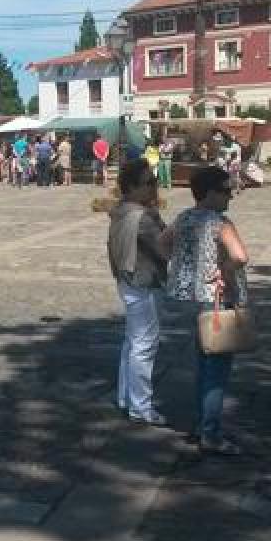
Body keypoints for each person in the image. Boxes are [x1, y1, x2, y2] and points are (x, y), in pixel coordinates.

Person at [164, 166, 249, 455]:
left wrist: (183, 262)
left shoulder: (184, 217)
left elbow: (163, 244)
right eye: (226, 190)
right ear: (211, 193)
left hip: (192, 298)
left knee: (203, 365)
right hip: (217, 301)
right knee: (217, 371)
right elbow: (240, 256)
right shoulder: (220, 223)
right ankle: (210, 433)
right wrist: (222, 269)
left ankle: (202, 424)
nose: (230, 196)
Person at [109, 159, 168, 425]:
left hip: (127, 280)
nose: (154, 187)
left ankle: (127, 398)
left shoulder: (121, 211)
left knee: (132, 344)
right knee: (144, 346)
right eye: (149, 183)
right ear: (132, 187)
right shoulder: (142, 217)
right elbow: (165, 248)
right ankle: (141, 407)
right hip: (143, 282)